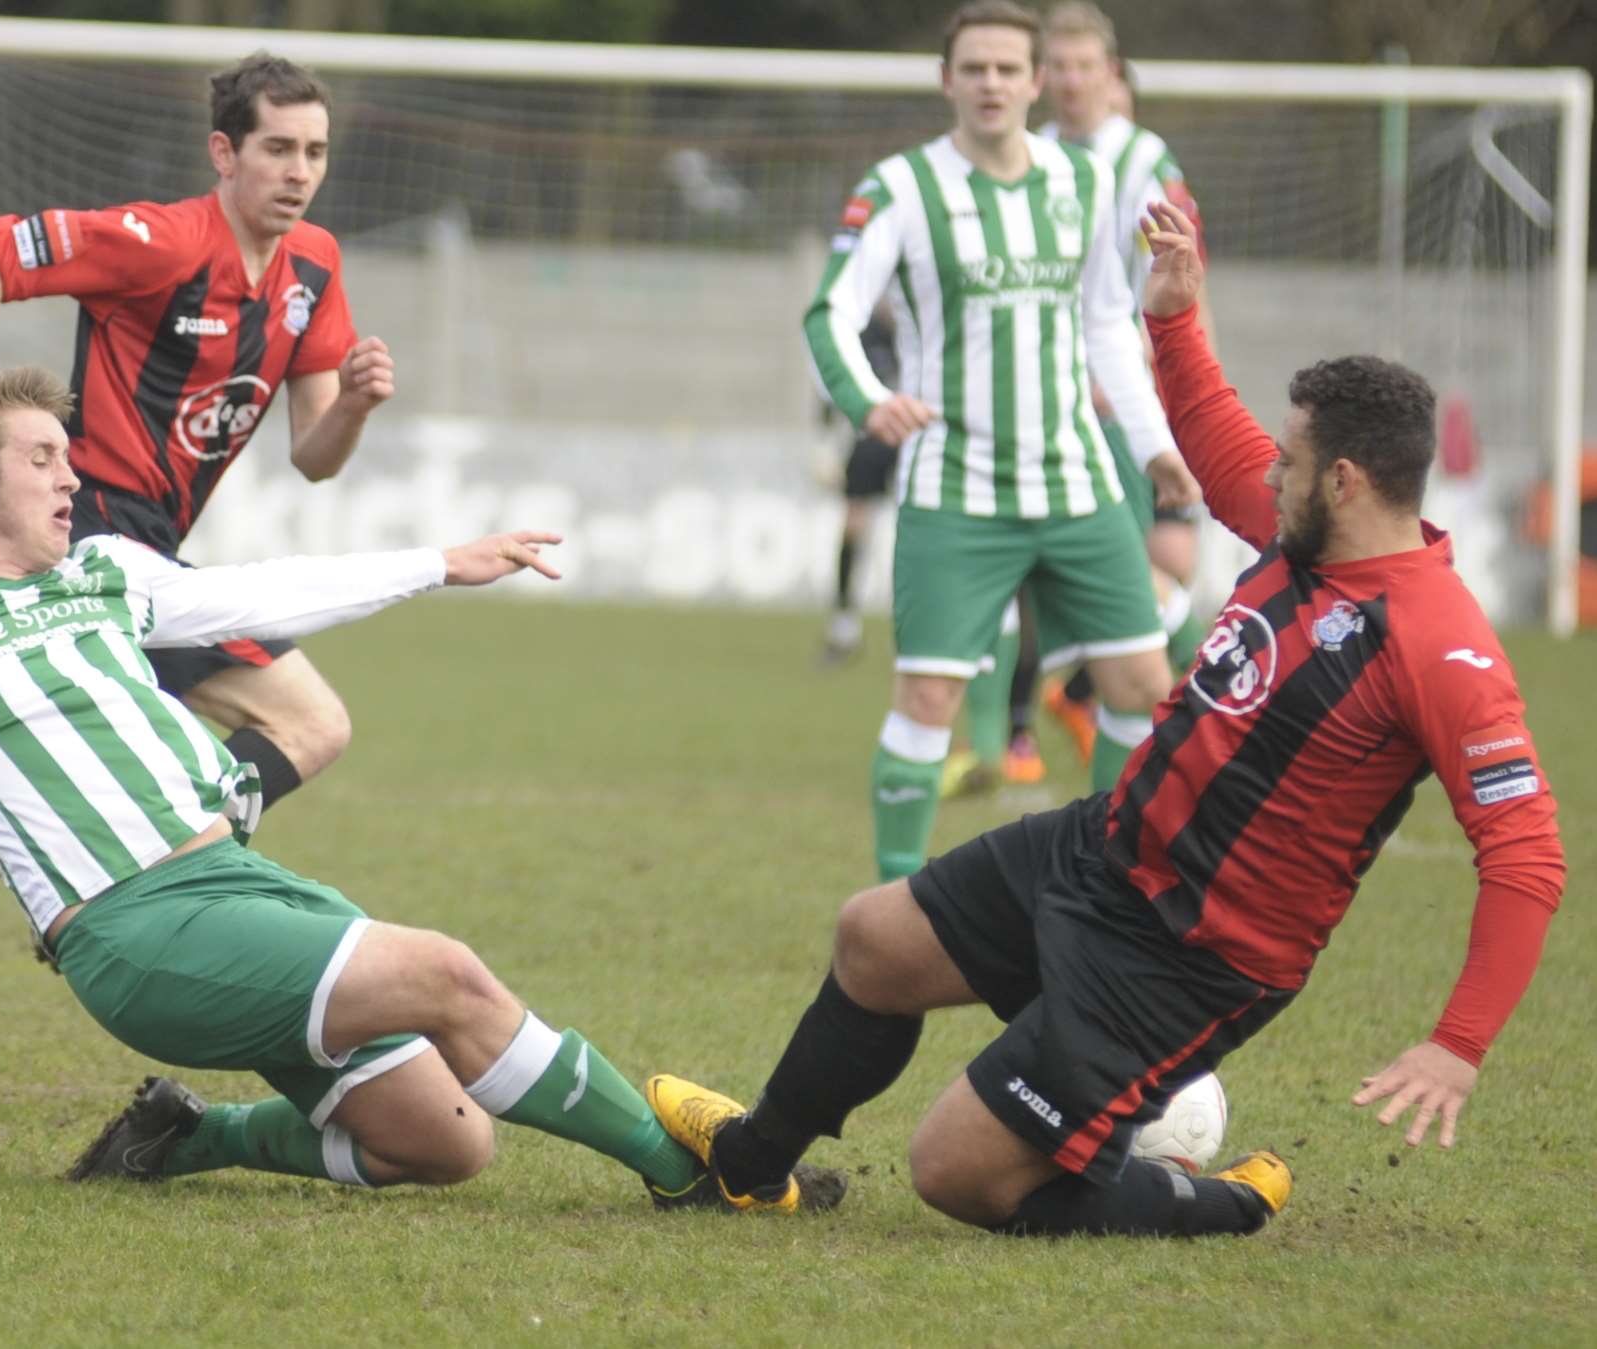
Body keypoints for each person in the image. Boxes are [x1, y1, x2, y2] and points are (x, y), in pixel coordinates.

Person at [645, 197, 1564, 1234]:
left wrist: (1458, 1041)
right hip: (1103, 848)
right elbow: (1219, 448)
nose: (1271, 469)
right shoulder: (1304, 536)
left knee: (953, 1169)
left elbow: (1524, 852)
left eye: (1292, 459)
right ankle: (748, 1167)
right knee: (873, 938)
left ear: (1344, 480)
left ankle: (1216, 1203)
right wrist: (1172, 320)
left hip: (1189, 950)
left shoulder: (1442, 644)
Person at [0, 369, 844, 1214]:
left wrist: (436, 563)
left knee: (446, 1143)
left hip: (240, 885)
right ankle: (697, 1174)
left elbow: (259, 590)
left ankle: (192, 1136)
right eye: (41, 458)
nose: (67, 478)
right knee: (450, 974)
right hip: (135, 935)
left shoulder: (102, 572)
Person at [0, 53, 391, 1009]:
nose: (299, 171)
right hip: (85, 533)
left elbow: (314, 453)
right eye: (277, 148)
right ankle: (127, 891)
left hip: (147, 553)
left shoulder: (314, 269)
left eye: (315, 152)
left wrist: (350, 404)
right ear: (225, 152)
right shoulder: (157, 241)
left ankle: (102, 889)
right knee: (307, 720)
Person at [802, 0, 1199, 883]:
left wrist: (1152, 444)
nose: (990, 83)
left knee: (1141, 688)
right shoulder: (904, 186)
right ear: (947, 80)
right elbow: (829, 310)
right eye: (972, 68)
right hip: (958, 485)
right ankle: (892, 906)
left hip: (1077, 482)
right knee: (927, 699)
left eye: (1006, 68)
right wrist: (869, 400)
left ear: (1036, 81)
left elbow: (1105, 321)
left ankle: (1107, 887)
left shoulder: (1085, 182)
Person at [1038, 2, 1213, 757]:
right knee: (1107, 578)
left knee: (1158, 569)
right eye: (1060, 67)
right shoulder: (1030, 154)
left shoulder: (1144, 159)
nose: (1072, 82)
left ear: (1111, 76)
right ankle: (1025, 725)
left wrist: (1145, 374)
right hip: (1051, 403)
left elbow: (1177, 276)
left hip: (1127, 399)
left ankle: (1202, 704)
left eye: (1086, 67)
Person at [822, 313, 902, 665]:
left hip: (920, 441)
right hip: (871, 439)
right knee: (854, 527)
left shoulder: (932, 323)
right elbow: (832, 388)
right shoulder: (865, 335)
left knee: (919, 533)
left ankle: (914, 631)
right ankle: (844, 624)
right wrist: (824, 445)